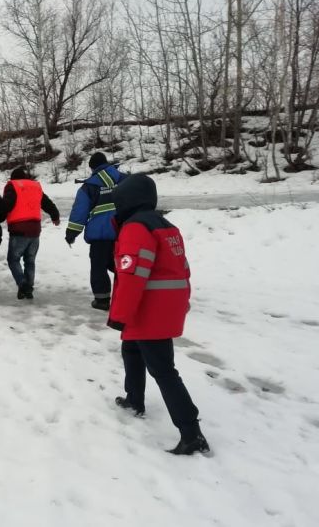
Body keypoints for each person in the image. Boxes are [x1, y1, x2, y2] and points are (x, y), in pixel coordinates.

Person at [107, 173, 210, 455]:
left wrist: (120, 314)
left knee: (163, 370)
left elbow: (132, 276)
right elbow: (183, 269)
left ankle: (191, 433)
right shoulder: (166, 226)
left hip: (147, 309)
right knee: (131, 349)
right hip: (163, 306)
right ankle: (134, 399)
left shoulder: (136, 228)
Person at [65, 151, 127, 311]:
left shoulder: (89, 187)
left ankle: (102, 300)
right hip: (124, 232)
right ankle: (131, 294)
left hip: (100, 235)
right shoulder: (125, 179)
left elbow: (79, 212)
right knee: (124, 264)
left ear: (92, 168)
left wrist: (71, 233)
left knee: (99, 266)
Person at [2, 167, 60, 300]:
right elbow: (47, 203)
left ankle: (23, 284)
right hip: (35, 230)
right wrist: (55, 216)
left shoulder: (14, 187)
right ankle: (28, 290)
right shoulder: (35, 187)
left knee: (13, 259)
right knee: (30, 260)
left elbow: (7, 205)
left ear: (13, 178)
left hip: (19, 229)